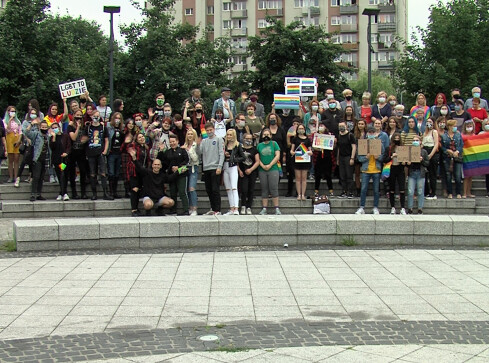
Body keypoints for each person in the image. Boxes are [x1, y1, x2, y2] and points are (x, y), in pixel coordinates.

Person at [128, 148, 178, 216]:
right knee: (148, 205)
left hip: (159, 198)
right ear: (152, 165)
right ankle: (148, 211)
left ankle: (159, 209)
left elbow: (170, 178)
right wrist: (134, 157)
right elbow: (139, 167)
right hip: (148, 197)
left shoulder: (162, 175)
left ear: (160, 166)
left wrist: (179, 171)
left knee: (171, 202)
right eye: (155, 164)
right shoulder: (147, 172)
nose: (156, 166)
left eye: (158, 165)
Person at [82, 110, 113, 200]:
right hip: (91, 152)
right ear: (91, 117)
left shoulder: (103, 127)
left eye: (97, 116)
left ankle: (105, 193)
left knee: (103, 173)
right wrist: (86, 138)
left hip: (100, 152)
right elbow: (83, 139)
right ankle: (94, 193)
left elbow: (107, 140)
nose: (96, 117)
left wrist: (105, 151)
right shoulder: (88, 127)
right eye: (94, 116)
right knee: (92, 173)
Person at [356, 124, 385, 215]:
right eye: (370, 132)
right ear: (367, 133)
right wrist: (366, 157)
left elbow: (383, 156)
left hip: (376, 169)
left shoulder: (379, 144)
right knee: (363, 189)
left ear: (375, 133)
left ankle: (375, 207)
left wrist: (378, 157)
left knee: (376, 190)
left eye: (373, 132)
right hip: (366, 170)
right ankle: (362, 207)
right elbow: (359, 158)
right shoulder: (363, 144)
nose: (371, 134)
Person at [158, 134, 189, 215]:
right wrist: (161, 151)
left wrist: (178, 167)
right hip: (172, 176)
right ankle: (173, 210)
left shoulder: (182, 150)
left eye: (173, 141)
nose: (172, 143)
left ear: (177, 141)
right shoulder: (168, 152)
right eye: (170, 142)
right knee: (173, 192)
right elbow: (162, 161)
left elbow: (186, 161)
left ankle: (186, 209)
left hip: (182, 173)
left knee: (182, 191)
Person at [199, 122, 225, 215]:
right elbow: (200, 152)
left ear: (214, 129)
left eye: (211, 130)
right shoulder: (204, 141)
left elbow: (221, 154)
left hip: (215, 167)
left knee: (215, 189)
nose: (209, 132)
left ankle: (217, 209)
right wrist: (199, 141)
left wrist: (219, 166)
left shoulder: (219, 139)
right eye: (207, 130)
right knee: (209, 189)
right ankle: (213, 208)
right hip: (206, 168)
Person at [257, 128, 282, 215]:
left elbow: (277, 156)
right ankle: (264, 208)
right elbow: (257, 158)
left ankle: (277, 208)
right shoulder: (259, 145)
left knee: (274, 188)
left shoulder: (274, 144)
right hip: (262, 169)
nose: (266, 136)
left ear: (271, 136)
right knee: (264, 189)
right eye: (264, 135)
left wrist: (270, 165)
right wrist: (263, 165)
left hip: (273, 168)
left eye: (268, 134)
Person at [24, 118, 49, 201]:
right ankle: (33, 194)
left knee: (41, 177)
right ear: (39, 127)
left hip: (45, 159)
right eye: (43, 127)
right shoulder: (36, 134)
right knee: (36, 176)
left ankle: (38, 194)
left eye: (46, 127)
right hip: (37, 158)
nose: (44, 129)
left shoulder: (48, 136)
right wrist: (31, 124)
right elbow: (26, 132)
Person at [124, 133, 149, 216]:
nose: (142, 138)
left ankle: (137, 208)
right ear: (137, 139)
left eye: (142, 136)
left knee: (139, 190)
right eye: (139, 137)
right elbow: (128, 149)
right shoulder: (133, 146)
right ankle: (133, 210)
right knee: (134, 189)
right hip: (134, 171)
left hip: (142, 171)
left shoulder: (145, 148)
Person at [222, 129, 245, 215]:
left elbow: (243, 157)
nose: (229, 136)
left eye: (230, 135)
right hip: (225, 166)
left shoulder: (237, 145)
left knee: (234, 188)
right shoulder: (225, 145)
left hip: (233, 166)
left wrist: (234, 159)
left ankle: (236, 208)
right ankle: (231, 208)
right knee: (228, 188)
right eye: (228, 135)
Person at [67, 110, 88, 199]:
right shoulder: (70, 126)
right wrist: (78, 128)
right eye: (77, 115)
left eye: (80, 115)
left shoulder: (85, 126)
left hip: (82, 151)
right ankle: (74, 192)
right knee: (71, 172)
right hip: (72, 152)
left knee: (83, 171)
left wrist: (85, 139)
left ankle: (83, 192)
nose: (79, 117)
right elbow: (73, 137)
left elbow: (87, 137)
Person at [406, 134, 430, 214]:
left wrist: (422, 160)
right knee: (410, 191)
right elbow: (405, 162)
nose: (415, 142)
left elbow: (427, 163)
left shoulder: (424, 151)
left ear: (420, 142)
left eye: (417, 140)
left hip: (421, 173)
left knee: (420, 191)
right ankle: (410, 208)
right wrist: (407, 163)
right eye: (414, 140)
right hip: (412, 173)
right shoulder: (409, 151)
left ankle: (420, 208)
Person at [441, 119, 463, 199]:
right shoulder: (444, 136)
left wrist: (457, 151)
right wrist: (447, 151)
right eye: (454, 126)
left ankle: (458, 192)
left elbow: (461, 145)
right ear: (449, 127)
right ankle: (450, 192)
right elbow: (442, 147)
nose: (455, 127)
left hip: (457, 157)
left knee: (458, 176)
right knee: (448, 176)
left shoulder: (458, 135)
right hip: (447, 158)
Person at [238, 133, 260, 215]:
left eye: (250, 138)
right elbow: (236, 161)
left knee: (251, 189)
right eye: (247, 138)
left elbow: (257, 161)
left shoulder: (254, 150)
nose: (248, 140)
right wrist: (239, 170)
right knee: (244, 189)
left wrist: (251, 169)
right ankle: (243, 205)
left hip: (252, 172)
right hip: (243, 172)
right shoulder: (239, 149)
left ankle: (249, 206)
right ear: (243, 139)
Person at [290, 124, 312, 200]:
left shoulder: (308, 140)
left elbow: (310, 150)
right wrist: (292, 152)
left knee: (304, 178)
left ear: (304, 130)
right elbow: (291, 150)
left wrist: (310, 152)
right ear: (297, 130)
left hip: (305, 161)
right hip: (297, 160)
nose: (301, 130)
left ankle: (303, 194)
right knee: (298, 178)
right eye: (299, 128)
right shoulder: (295, 139)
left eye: (302, 128)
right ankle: (299, 194)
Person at [49, 122, 70, 201]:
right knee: (59, 175)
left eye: (56, 127)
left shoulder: (65, 136)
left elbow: (68, 146)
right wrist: (53, 137)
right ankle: (62, 193)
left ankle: (63, 193)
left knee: (63, 175)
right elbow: (52, 147)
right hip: (56, 159)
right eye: (53, 128)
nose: (55, 129)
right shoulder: (52, 137)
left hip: (63, 159)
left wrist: (66, 153)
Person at [386, 133, 406, 214]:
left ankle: (403, 208)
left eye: (398, 138)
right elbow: (385, 159)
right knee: (392, 189)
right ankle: (392, 207)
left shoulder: (403, 148)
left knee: (402, 189)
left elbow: (406, 160)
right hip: (392, 169)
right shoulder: (389, 148)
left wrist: (404, 162)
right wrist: (391, 156)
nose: (397, 140)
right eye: (395, 138)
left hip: (400, 169)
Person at [312, 124, 334, 196]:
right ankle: (316, 191)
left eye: (322, 126)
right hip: (318, 156)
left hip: (327, 156)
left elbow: (332, 146)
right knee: (317, 175)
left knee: (328, 175)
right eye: (320, 126)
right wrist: (318, 148)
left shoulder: (329, 135)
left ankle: (331, 191)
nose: (321, 128)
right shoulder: (316, 135)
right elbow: (313, 146)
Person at [106, 112, 125, 199]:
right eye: (116, 118)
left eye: (119, 118)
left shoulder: (122, 129)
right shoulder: (109, 127)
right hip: (111, 152)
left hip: (119, 152)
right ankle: (111, 192)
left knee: (117, 173)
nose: (117, 120)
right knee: (111, 173)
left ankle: (115, 191)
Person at [336, 120, 356, 198]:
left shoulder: (350, 135)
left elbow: (354, 147)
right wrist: (337, 159)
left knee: (349, 175)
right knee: (342, 175)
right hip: (341, 157)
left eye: (342, 126)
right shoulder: (339, 136)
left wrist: (352, 158)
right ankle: (344, 191)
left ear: (346, 126)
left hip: (348, 157)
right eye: (340, 126)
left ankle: (350, 191)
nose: (341, 127)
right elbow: (338, 148)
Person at [3, 106, 22, 183]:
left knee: (17, 159)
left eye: (14, 111)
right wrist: (10, 120)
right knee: (10, 159)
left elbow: (20, 131)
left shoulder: (18, 121)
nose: (13, 113)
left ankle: (16, 176)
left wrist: (19, 140)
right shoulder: (5, 121)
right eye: (11, 111)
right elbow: (6, 130)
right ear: (8, 112)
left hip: (16, 139)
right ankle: (11, 177)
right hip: (9, 139)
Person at [183, 129, 199, 216]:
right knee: (187, 189)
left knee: (191, 188)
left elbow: (195, 158)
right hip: (186, 168)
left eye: (191, 134)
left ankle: (194, 208)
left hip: (193, 168)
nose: (189, 135)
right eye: (188, 134)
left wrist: (188, 150)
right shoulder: (185, 145)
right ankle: (190, 207)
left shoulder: (195, 145)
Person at [422, 118, 440, 200]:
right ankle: (426, 192)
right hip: (425, 151)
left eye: (430, 122)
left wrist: (431, 155)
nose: (428, 123)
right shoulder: (424, 133)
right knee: (425, 174)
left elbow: (436, 144)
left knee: (432, 174)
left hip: (432, 152)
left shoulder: (434, 132)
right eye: (427, 122)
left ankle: (433, 193)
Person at [461, 120, 476, 198]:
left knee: (471, 176)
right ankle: (464, 193)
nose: (469, 128)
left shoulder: (474, 136)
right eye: (467, 126)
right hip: (465, 157)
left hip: (473, 158)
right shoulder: (462, 136)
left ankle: (469, 192)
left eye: (471, 126)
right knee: (466, 176)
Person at [353, 119, 367, 196]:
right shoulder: (354, 134)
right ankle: (358, 189)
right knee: (357, 173)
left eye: (362, 124)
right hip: (357, 155)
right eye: (359, 124)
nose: (360, 125)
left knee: (365, 173)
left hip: (366, 156)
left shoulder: (367, 134)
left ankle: (364, 189)